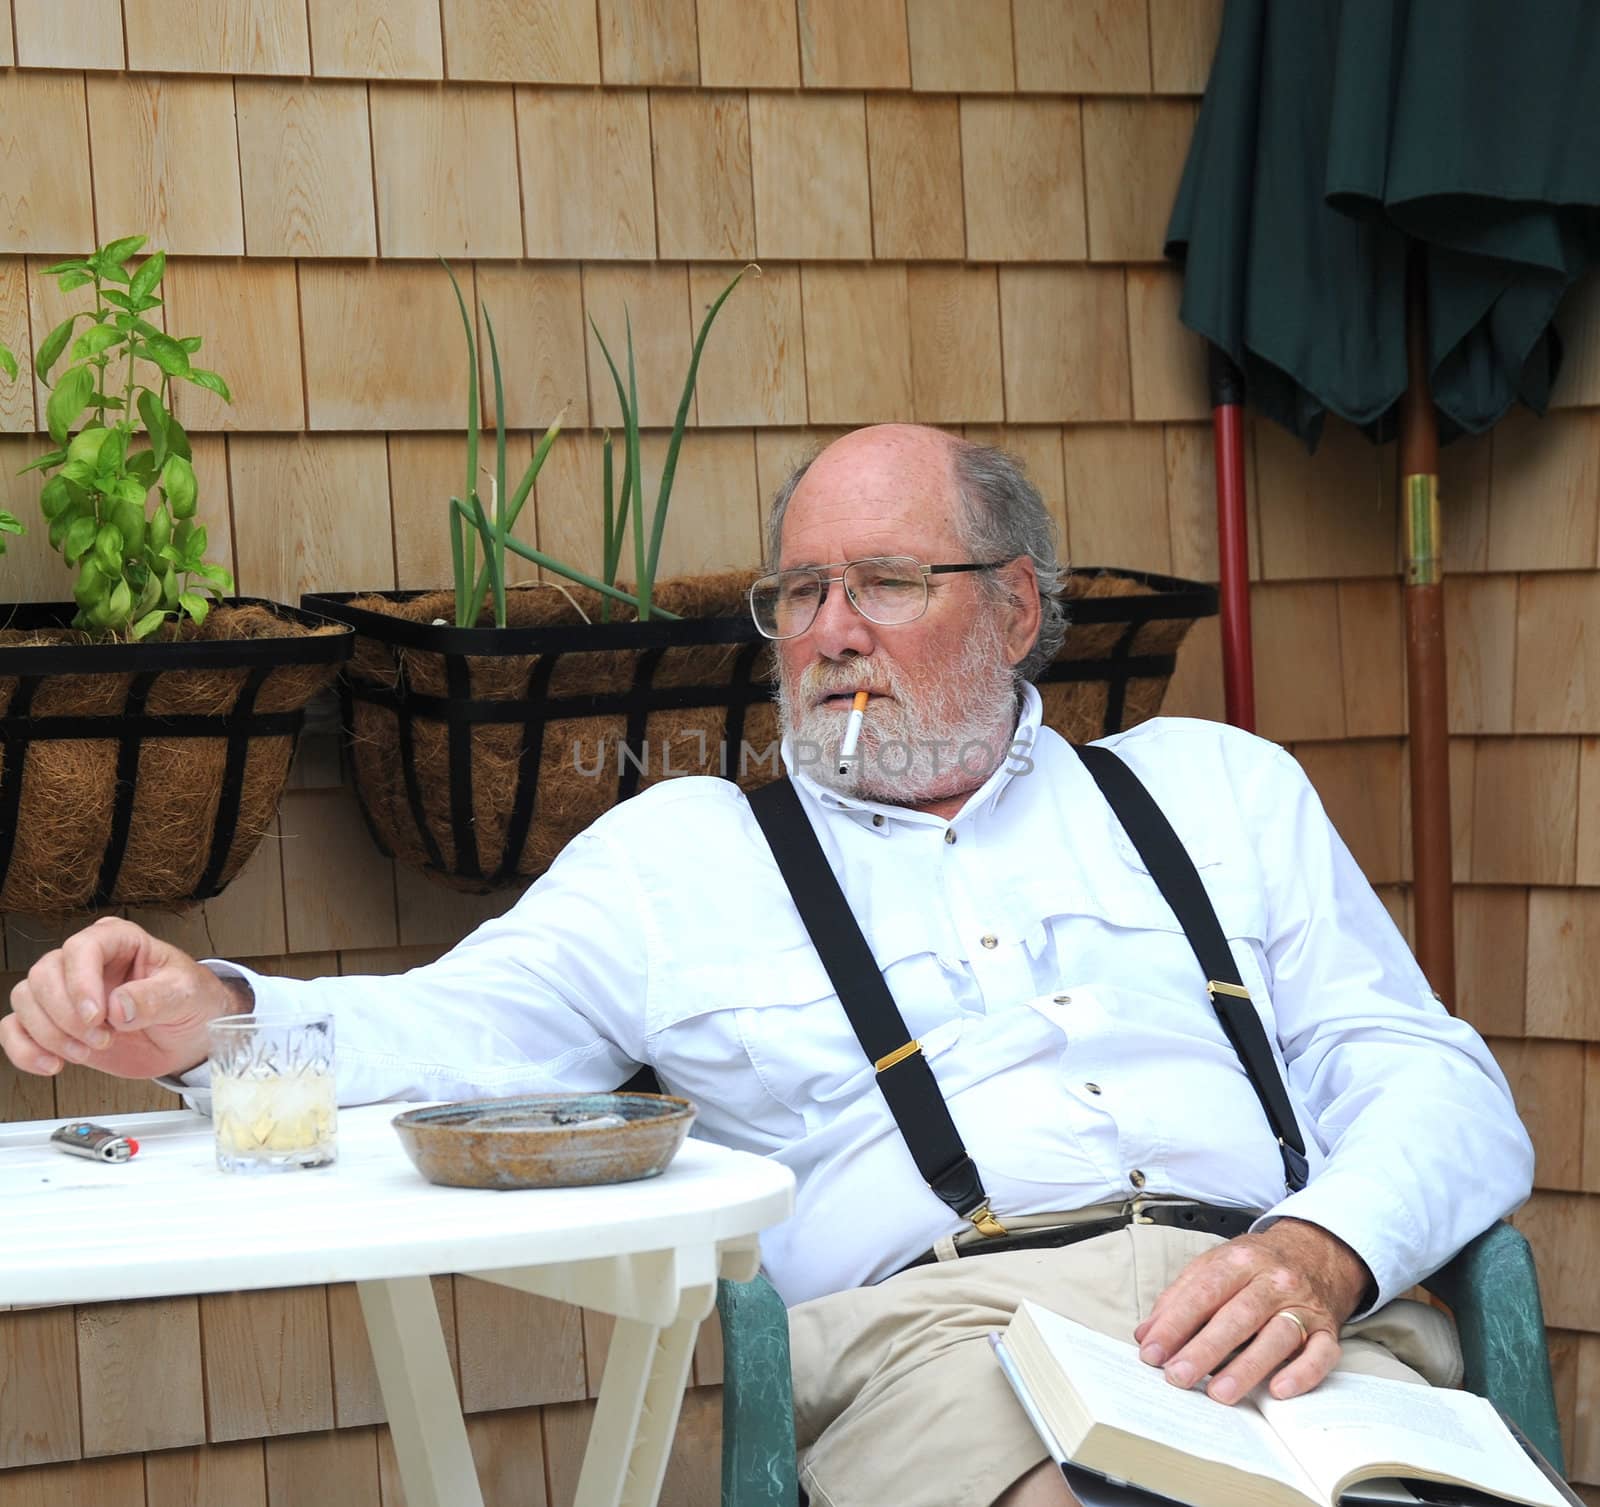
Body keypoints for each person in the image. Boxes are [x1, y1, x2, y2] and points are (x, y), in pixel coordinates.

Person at [2, 424, 1532, 1507]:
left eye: (883, 583)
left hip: (1292, 1311)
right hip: (956, 1342)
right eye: (800, 594)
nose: (829, 632)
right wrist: (214, 1019)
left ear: (1013, 611)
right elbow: (459, 1031)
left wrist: (1323, 1252)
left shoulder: (1215, 789)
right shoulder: (691, 855)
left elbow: (1435, 1084)